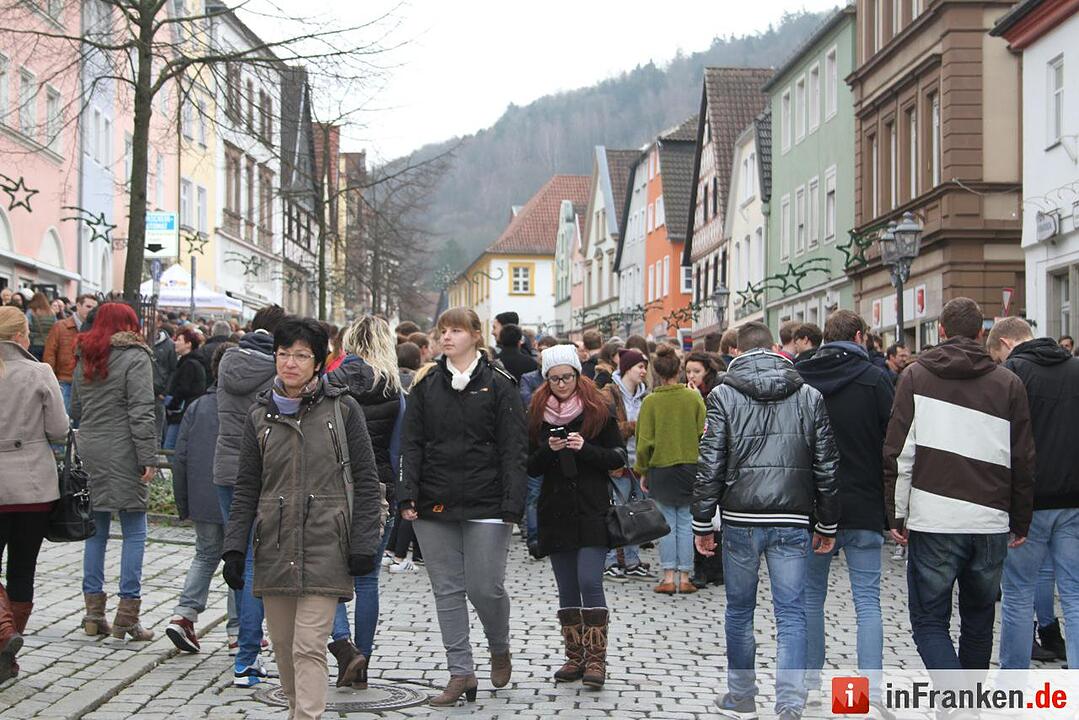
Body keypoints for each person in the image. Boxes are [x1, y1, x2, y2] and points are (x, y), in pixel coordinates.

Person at [222, 316, 383, 720]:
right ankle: (298, 709)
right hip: (275, 545)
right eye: (282, 354)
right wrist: (234, 547)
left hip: (327, 544)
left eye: (300, 355)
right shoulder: (260, 416)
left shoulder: (343, 410)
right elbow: (246, 487)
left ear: (318, 362)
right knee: (283, 647)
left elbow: (366, 481)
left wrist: (363, 543)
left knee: (308, 645)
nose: (289, 363)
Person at [693, 321, 839, 720]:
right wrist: (826, 523)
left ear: (737, 352)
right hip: (792, 516)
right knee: (791, 612)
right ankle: (789, 703)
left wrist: (703, 522)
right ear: (776, 348)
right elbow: (827, 465)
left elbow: (710, 463)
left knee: (740, 610)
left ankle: (742, 695)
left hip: (740, 516)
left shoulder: (722, 395)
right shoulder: (809, 396)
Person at [883, 298, 1035, 671]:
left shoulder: (916, 377)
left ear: (941, 331)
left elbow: (899, 454)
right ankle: (965, 705)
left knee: (930, 620)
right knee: (979, 620)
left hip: (934, 519)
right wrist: (1020, 518)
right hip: (989, 518)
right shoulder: (1008, 383)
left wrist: (897, 514)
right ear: (982, 333)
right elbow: (1023, 459)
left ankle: (955, 703)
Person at [398, 307, 527, 706]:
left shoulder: (500, 384)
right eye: (442, 331)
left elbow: (514, 448)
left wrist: (513, 502)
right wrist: (407, 493)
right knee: (447, 590)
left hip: (487, 500)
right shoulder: (427, 384)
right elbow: (412, 443)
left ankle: (499, 645)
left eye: (456, 330)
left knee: (484, 587)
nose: (447, 337)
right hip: (436, 500)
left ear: (475, 335)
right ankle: (461, 672)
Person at [795, 310, 894, 712]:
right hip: (866, 503)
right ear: (858, 336)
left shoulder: (801, 379)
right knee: (868, 600)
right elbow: (893, 445)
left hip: (815, 506)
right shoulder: (876, 379)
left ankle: (811, 683)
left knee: (810, 598)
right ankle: (870, 685)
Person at [526, 344, 625, 688]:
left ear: (577, 373)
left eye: (566, 376)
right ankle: (574, 657)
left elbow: (617, 458)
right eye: (554, 379)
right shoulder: (538, 411)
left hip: (592, 508)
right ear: (546, 380)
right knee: (566, 586)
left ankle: (596, 660)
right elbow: (529, 466)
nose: (561, 384)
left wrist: (586, 449)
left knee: (588, 580)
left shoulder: (599, 408)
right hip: (555, 510)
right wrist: (547, 451)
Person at [987, 317, 1079, 669]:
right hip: (1073, 499)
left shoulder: (1011, 374)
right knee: (1073, 592)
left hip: (1028, 501)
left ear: (1007, 344)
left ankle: (1013, 677)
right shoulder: (1075, 368)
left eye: (996, 355)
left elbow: (999, 440)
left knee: (1019, 592)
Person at [73, 303, 158, 641]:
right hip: (124, 447)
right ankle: (127, 615)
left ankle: (93, 614)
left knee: (96, 529)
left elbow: (76, 408)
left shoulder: (86, 355)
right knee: (135, 528)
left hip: (91, 445)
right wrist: (148, 456)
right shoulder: (135, 357)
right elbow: (141, 410)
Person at [326, 315, 400, 689]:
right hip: (380, 487)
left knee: (330, 576)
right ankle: (363, 660)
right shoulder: (393, 389)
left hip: (334, 486)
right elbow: (399, 447)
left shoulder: (329, 384)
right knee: (368, 579)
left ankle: (344, 647)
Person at [215, 303, 285, 686]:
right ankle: (247, 652)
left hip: (225, 468)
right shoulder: (278, 369)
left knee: (235, 554)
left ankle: (239, 639)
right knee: (257, 563)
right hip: (261, 471)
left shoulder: (227, 361)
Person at [0, 307, 69, 680]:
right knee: (22, 568)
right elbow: (58, 429)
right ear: (22, 336)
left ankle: (3, 634)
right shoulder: (39, 372)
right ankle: (9, 647)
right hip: (33, 488)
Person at [166, 342, 239, 654]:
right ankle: (238, 630)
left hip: (202, 495)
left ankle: (184, 614)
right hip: (237, 497)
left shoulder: (197, 407)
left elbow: (180, 457)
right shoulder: (250, 405)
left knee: (205, 555)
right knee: (239, 559)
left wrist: (183, 501)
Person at [635, 345, 706, 595]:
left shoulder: (651, 402)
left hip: (661, 466)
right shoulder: (693, 398)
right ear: (679, 370)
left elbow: (644, 441)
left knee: (666, 522)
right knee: (686, 521)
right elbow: (703, 432)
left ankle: (667, 576)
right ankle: (685, 576)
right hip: (689, 465)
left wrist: (642, 469)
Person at [600, 349, 654, 582]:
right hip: (617, 461)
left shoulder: (645, 396)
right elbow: (610, 428)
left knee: (636, 513)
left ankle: (632, 560)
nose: (643, 371)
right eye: (639, 367)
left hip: (638, 462)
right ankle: (610, 560)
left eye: (645, 367)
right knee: (617, 511)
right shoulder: (609, 393)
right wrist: (636, 426)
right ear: (627, 369)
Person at [519, 335, 560, 557]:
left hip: (560, 446)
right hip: (537, 444)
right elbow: (528, 403)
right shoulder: (529, 378)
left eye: (547, 350)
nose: (542, 354)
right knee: (534, 495)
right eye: (540, 350)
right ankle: (535, 540)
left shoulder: (564, 378)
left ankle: (553, 536)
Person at [43, 294, 98, 413]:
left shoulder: (95, 329)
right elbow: (50, 353)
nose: (91, 310)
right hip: (65, 381)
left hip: (86, 383)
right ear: (78, 306)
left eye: (93, 308)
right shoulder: (60, 326)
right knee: (64, 419)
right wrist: (51, 379)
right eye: (88, 306)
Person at [163, 327, 207, 450]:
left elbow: (183, 389)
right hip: (186, 410)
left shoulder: (189, 364)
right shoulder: (190, 362)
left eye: (179, 340)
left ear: (188, 344)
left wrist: (171, 404)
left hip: (181, 412)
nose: (175, 342)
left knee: (170, 446)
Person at [25, 292, 55, 361]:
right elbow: (55, 326)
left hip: (34, 343)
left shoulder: (31, 311)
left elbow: (26, 325)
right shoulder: (52, 312)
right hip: (48, 344)